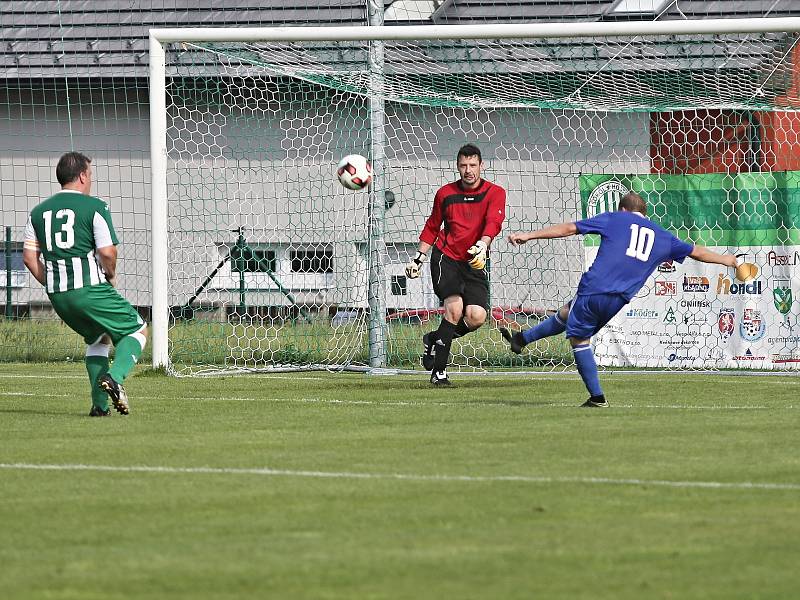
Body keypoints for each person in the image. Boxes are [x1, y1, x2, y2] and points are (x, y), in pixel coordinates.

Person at [500, 191, 736, 407]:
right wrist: (727, 260)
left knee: (579, 341)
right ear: (645, 214)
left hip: (595, 288)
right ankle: (521, 339)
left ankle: (597, 398)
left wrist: (529, 235)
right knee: (567, 312)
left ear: (623, 209)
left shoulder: (615, 218)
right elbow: (696, 251)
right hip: (619, 299)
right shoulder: (662, 236)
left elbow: (570, 228)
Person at [23, 152, 147, 416]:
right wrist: (110, 275)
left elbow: (29, 258)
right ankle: (116, 378)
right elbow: (107, 252)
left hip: (58, 296)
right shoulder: (95, 207)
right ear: (82, 176)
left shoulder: (37, 212)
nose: (90, 180)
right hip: (89, 289)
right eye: (90, 174)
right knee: (137, 330)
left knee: (99, 339)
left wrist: (53, 281)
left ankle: (99, 407)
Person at [405, 144, 506, 385]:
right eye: (463, 165)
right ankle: (438, 373)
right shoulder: (445, 193)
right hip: (446, 257)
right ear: (457, 166)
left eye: (473, 165)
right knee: (454, 310)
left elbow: (494, 221)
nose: (468, 170)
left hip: (473, 261)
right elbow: (432, 226)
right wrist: (419, 257)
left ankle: (434, 339)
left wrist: (483, 244)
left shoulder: (495, 192)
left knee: (476, 317)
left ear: (482, 166)